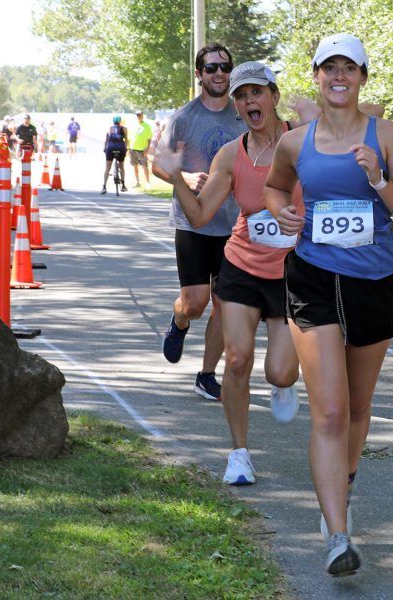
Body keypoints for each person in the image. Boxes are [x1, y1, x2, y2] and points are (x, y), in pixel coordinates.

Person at [264, 33, 393, 576]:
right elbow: (275, 188)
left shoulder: (389, 136)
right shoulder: (296, 142)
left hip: (373, 281)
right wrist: (283, 213)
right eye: (328, 68)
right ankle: (337, 535)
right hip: (312, 278)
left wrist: (378, 179)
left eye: (348, 68)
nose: (338, 76)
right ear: (315, 75)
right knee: (329, 411)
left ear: (361, 77)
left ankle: (343, 485)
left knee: (357, 407)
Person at [157, 61, 328, 486]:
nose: (249, 100)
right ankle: (238, 454)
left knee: (280, 371)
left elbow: (371, 119)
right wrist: (175, 175)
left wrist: (327, 110)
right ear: (235, 106)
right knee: (236, 360)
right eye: (241, 95)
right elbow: (198, 216)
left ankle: (283, 383)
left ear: (273, 95)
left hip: (293, 270)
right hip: (242, 267)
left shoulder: (307, 137)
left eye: (256, 92)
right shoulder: (232, 154)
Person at [152, 42, 248, 402]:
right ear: (199, 74)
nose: (219, 73)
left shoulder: (243, 114)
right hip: (193, 223)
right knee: (195, 303)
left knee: (224, 302)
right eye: (211, 68)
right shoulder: (184, 118)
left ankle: (206, 375)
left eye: (225, 67)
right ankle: (178, 322)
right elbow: (158, 165)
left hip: (234, 225)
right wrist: (187, 179)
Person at [101, 115, 128, 194]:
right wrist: (126, 148)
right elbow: (126, 140)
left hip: (110, 148)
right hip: (120, 148)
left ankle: (104, 186)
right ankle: (123, 185)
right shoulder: (124, 129)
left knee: (107, 167)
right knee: (122, 166)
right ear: (120, 122)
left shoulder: (109, 129)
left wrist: (105, 148)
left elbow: (106, 141)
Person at [129, 110, 153, 187]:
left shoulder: (146, 126)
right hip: (133, 148)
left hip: (142, 149)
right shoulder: (133, 125)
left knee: (144, 165)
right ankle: (137, 182)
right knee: (135, 165)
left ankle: (148, 182)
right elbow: (130, 138)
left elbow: (149, 138)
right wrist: (128, 148)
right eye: (137, 115)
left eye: (140, 115)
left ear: (142, 116)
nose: (139, 117)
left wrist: (147, 148)